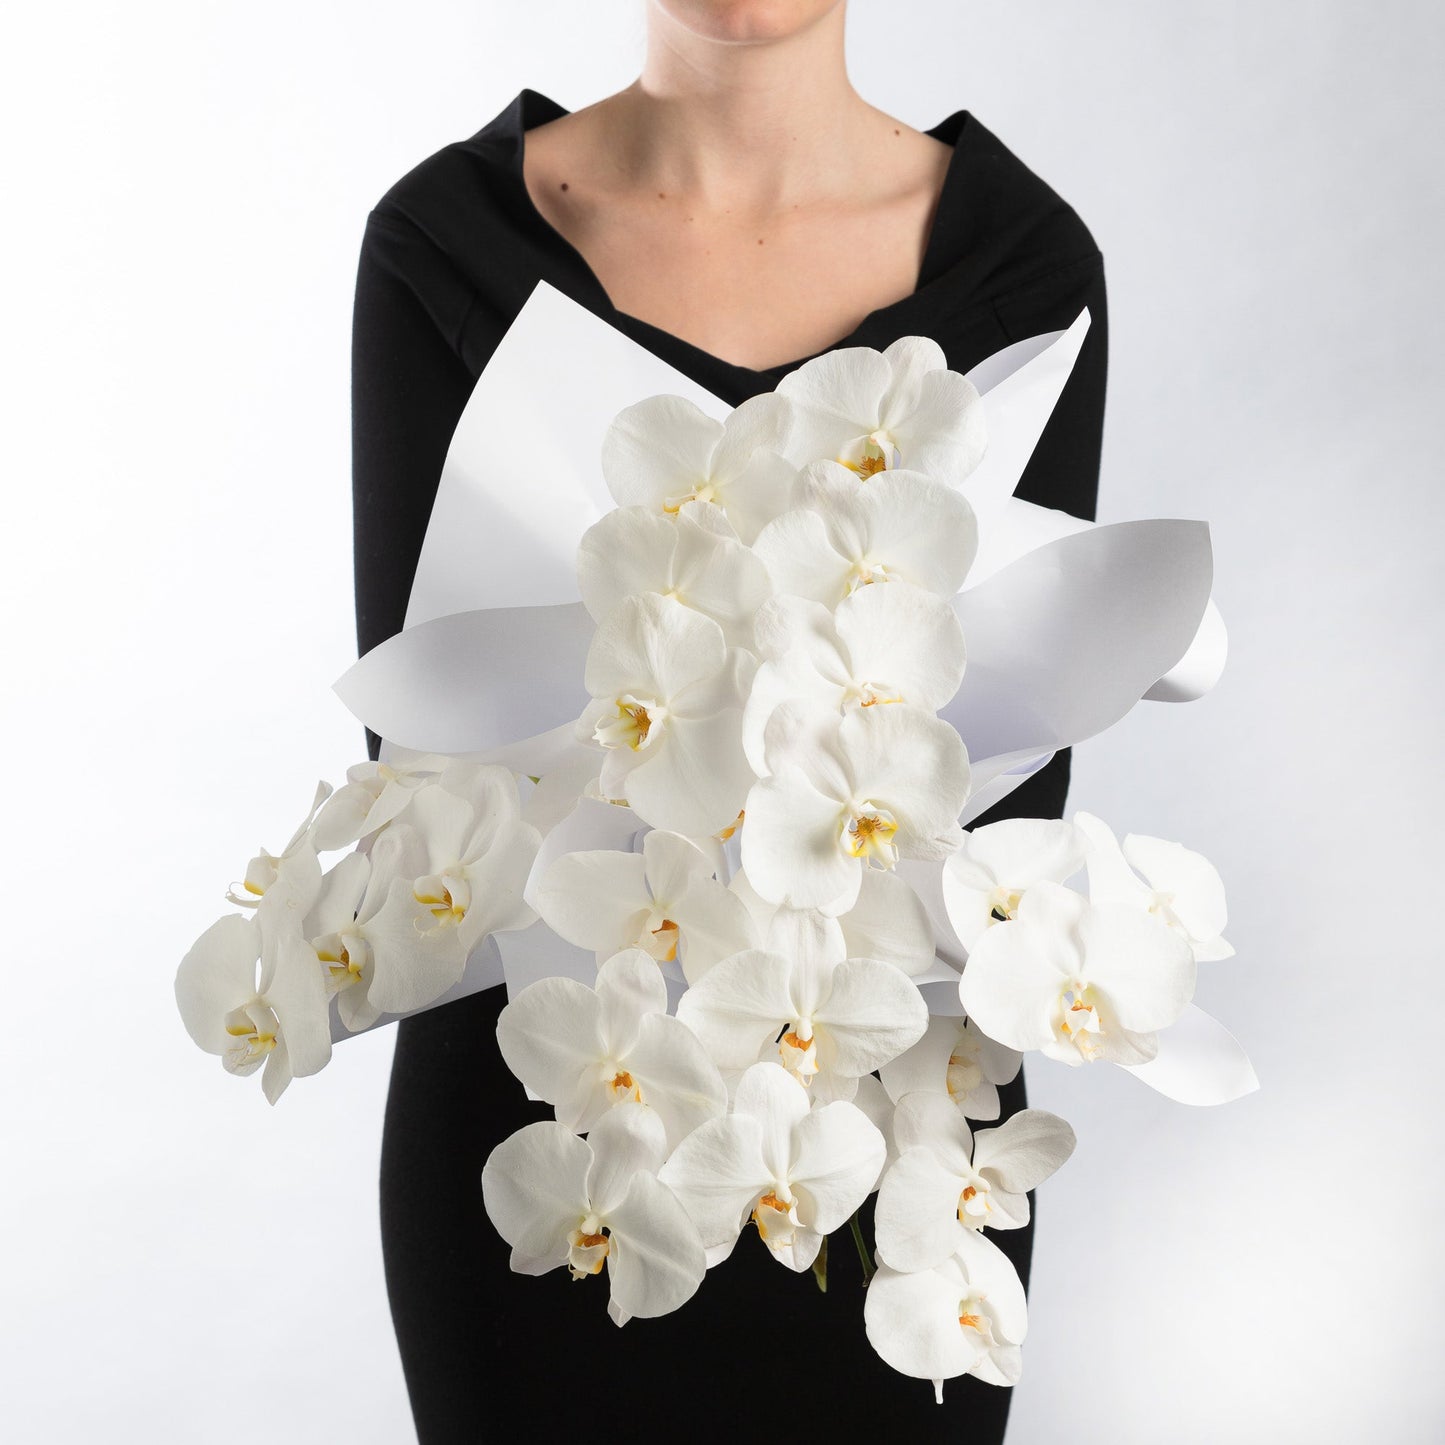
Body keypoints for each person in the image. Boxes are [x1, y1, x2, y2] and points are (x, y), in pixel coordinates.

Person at [351, 3, 1107, 1438]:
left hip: (881, 1150)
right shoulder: (447, 248)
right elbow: (426, 750)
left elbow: (995, 811)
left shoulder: (1023, 271)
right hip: (551, 1110)